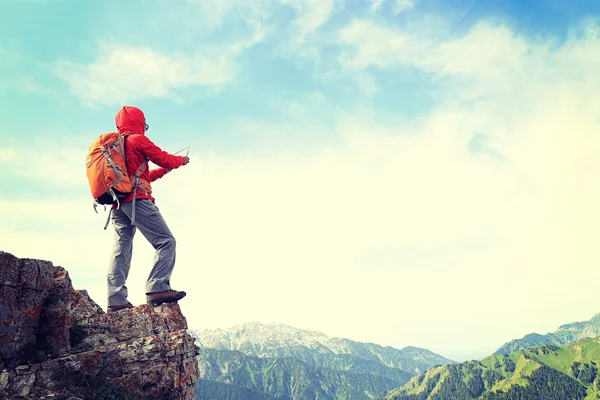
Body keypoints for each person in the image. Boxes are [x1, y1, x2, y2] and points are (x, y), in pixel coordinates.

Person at [106, 105, 190, 312]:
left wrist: (163, 171)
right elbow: (164, 158)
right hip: (138, 201)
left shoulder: (115, 146)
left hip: (117, 203)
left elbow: (142, 176)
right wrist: (181, 161)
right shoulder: (138, 140)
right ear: (139, 123)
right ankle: (157, 287)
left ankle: (115, 300)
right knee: (165, 241)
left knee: (121, 250)